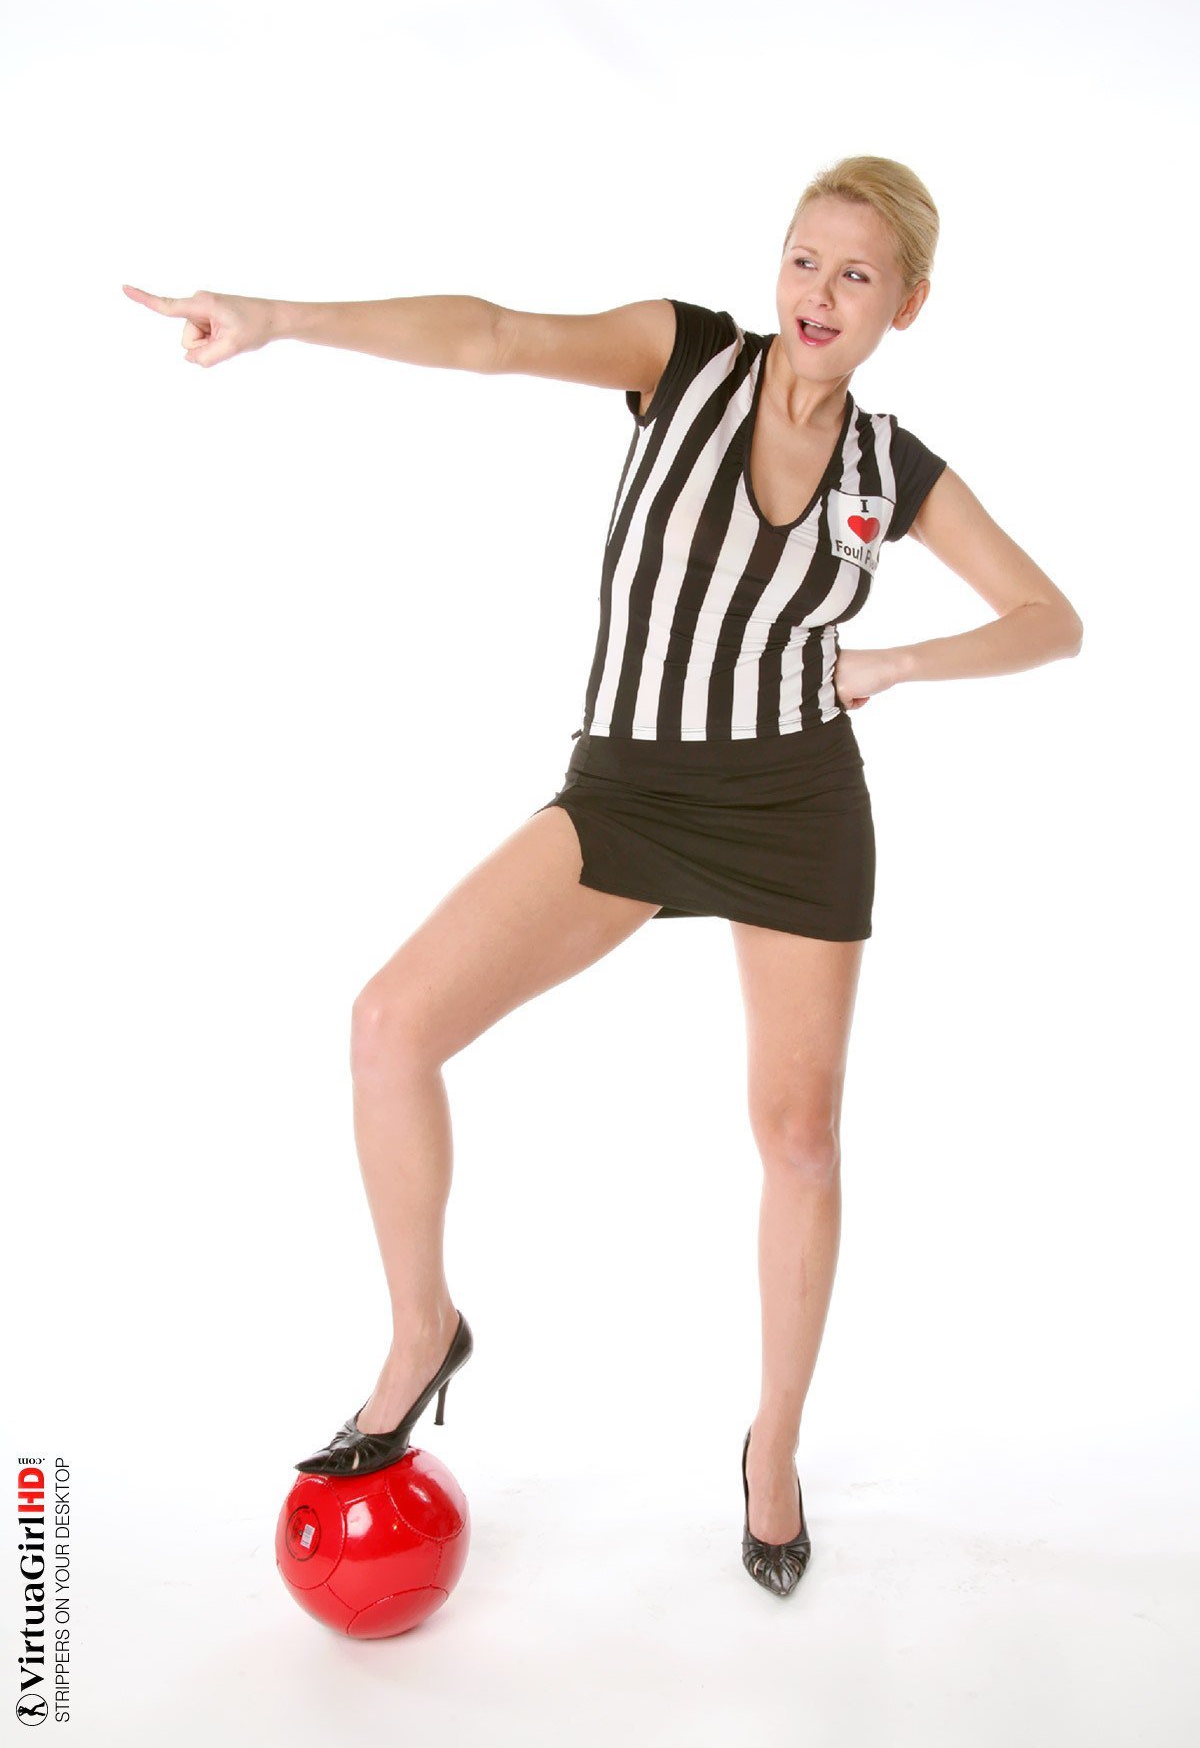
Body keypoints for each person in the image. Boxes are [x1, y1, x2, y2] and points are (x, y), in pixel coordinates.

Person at [124, 155, 1083, 1599]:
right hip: (629, 795)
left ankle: (773, 1451)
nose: (819, 294)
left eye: (857, 275)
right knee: (390, 1026)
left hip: (795, 806)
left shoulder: (894, 470)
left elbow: (1050, 620)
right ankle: (423, 1332)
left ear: (909, 304)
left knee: (799, 1139)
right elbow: (492, 334)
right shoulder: (682, 358)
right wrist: (276, 317)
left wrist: (896, 660)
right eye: (804, 259)